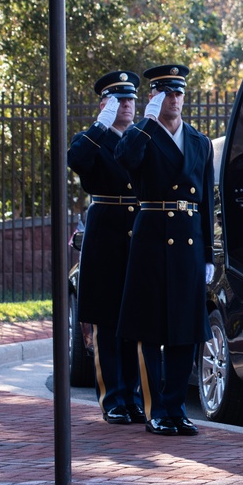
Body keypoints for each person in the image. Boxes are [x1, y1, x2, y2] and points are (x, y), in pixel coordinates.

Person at [114, 64, 215, 436]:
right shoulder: (143, 133)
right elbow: (124, 159)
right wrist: (147, 121)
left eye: (178, 92)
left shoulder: (200, 141)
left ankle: (176, 408)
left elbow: (204, 200)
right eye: (166, 92)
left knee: (184, 331)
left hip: (188, 242)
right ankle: (155, 409)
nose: (174, 99)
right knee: (151, 328)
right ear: (155, 97)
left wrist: (208, 256)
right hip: (152, 237)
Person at [67, 71, 144, 425]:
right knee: (107, 323)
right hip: (105, 234)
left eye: (130, 100)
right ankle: (113, 398)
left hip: (138, 231)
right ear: (104, 105)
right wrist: (100, 125)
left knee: (135, 322)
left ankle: (135, 396)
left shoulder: (142, 137)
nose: (127, 105)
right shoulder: (92, 139)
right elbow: (76, 159)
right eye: (119, 100)